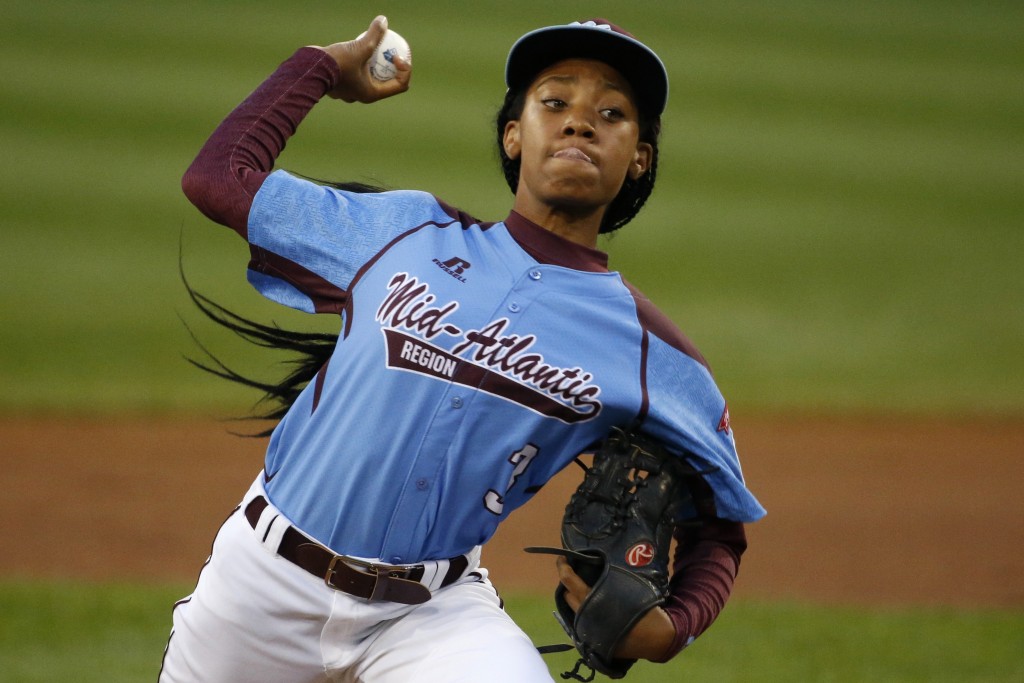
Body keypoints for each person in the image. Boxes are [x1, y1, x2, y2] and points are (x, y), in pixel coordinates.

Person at [161, 15, 765, 682]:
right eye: (554, 102)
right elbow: (219, 178)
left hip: (430, 615)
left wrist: (674, 626)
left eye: (612, 112)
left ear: (640, 155)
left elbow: (719, 522)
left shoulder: (650, 352)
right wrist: (323, 68)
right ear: (514, 135)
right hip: (258, 590)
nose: (579, 122)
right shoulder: (404, 232)